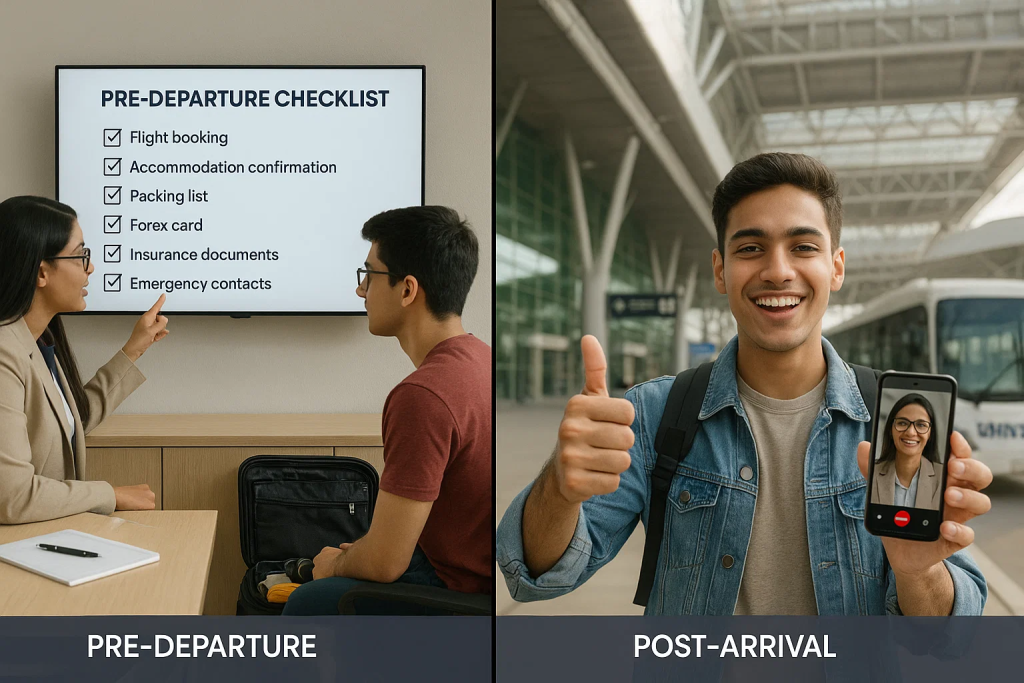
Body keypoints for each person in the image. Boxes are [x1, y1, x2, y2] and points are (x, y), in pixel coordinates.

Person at [497, 152, 991, 615]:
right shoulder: (652, 414)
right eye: (751, 248)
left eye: (803, 247)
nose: (778, 271)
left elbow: (946, 635)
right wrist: (559, 489)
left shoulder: (898, 418)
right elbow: (535, 575)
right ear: (720, 270)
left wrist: (918, 569)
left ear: (836, 267)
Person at [282, 205, 492, 615]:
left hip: (457, 594)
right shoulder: (481, 359)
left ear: (408, 289)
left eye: (369, 275)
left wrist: (332, 566)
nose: (361, 291)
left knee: (306, 602)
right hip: (471, 573)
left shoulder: (423, 395)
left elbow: (384, 563)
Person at [0, 196, 168, 523]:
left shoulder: (40, 340)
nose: (90, 267)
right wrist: (110, 494)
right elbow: (13, 496)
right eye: (80, 256)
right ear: (41, 272)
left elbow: (70, 421)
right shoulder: (5, 353)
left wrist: (134, 347)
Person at [872, 394, 942, 510]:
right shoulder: (871, 472)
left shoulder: (944, 477)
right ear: (890, 429)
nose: (911, 432)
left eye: (921, 425)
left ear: (930, 434)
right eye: (902, 423)